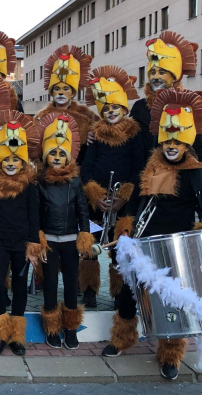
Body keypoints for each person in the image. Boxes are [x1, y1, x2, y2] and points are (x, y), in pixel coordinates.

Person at [103, 88, 202, 381]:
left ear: (187, 142)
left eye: (177, 140)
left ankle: (170, 355)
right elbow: (136, 204)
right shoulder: (151, 166)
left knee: (172, 302)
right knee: (131, 296)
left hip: (177, 248)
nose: (171, 145)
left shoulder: (197, 174)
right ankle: (122, 338)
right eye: (167, 139)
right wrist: (126, 228)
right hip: (145, 243)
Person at [79, 66, 144, 308]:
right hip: (98, 201)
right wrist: (95, 196)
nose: (111, 111)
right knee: (89, 246)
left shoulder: (134, 134)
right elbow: (86, 168)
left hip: (121, 202)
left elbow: (138, 167)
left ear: (124, 109)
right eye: (106, 108)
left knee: (120, 248)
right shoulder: (96, 133)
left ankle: (118, 292)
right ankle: (88, 290)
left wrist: (123, 197)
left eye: (115, 107)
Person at [0, 110, 43, 356]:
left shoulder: (29, 186)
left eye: (15, 160)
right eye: (7, 160)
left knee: (19, 286)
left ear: (22, 161)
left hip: (21, 244)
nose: (11, 164)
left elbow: (34, 217)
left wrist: (33, 247)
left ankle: (16, 336)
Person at [36, 114, 92, 349]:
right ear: (46, 156)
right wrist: (37, 240)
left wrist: (84, 237)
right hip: (49, 240)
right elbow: (36, 215)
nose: (57, 158)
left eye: (61, 154)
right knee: (49, 284)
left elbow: (83, 212)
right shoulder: (40, 182)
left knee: (70, 284)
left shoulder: (76, 183)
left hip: (70, 240)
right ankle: (51, 328)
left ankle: (70, 328)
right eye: (53, 153)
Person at [129, 31, 202, 161]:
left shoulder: (188, 106)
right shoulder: (140, 107)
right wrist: (94, 134)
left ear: (174, 77)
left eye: (162, 72)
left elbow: (200, 149)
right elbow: (126, 138)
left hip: (179, 176)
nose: (156, 77)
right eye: (152, 72)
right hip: (147, 175)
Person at [34, 45, 98, 160]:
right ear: (52, 93)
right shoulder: (42, 116)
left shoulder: (87, 114)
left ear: (73, 93)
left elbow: (102, 129)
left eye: (66, 89)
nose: (61, 93)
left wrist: (93, 133)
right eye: (57, 89)